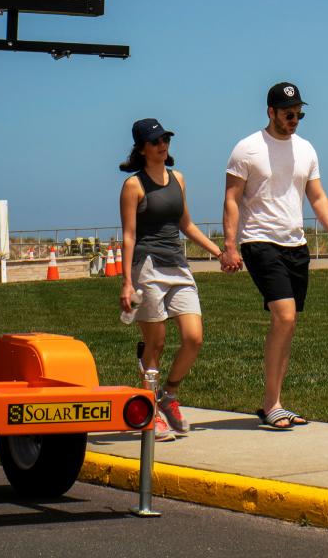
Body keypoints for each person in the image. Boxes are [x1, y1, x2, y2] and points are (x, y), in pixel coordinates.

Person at [220, 82, 328, 431]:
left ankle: (272, 403)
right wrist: (230, 245)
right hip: (259, 241)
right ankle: (272, 403)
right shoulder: (247, 149)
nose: (294, 119)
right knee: (285, 316)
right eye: (288, 113)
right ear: (271, 112)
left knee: (287, 325)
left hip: (296, 245)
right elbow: (232, 198)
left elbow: (316, 195)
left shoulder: (306, 150)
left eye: (299, 114)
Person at [119, 117, 225, 439]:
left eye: (165, 139)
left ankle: (169, 395)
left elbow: (186, 225)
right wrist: (126, 282)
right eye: (155, 142)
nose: (163, 145)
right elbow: (128, 236)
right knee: (157, 342)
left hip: (177, 264)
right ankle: (150, 412)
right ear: (141, 149)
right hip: (147, 267)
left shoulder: (178, 178)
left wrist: (219, 252)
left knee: (194, 337)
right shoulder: (133, 186)